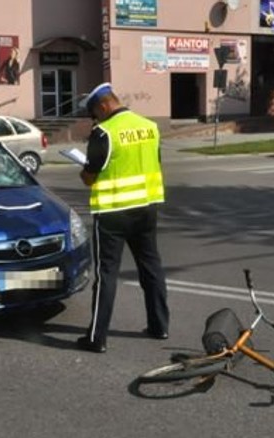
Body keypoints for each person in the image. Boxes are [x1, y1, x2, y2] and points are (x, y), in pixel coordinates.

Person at [75, 82, 170, 354]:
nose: (95, 119)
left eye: (95, 113)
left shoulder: (104, 132)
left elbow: (89, 176)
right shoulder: (150, 127)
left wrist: (82, 171)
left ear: (104, 105)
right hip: (147, 207)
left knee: (107, 274)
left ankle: (97, 338)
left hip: (113, 212)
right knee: (151, 267)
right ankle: (159, 326)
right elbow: (155, 164)